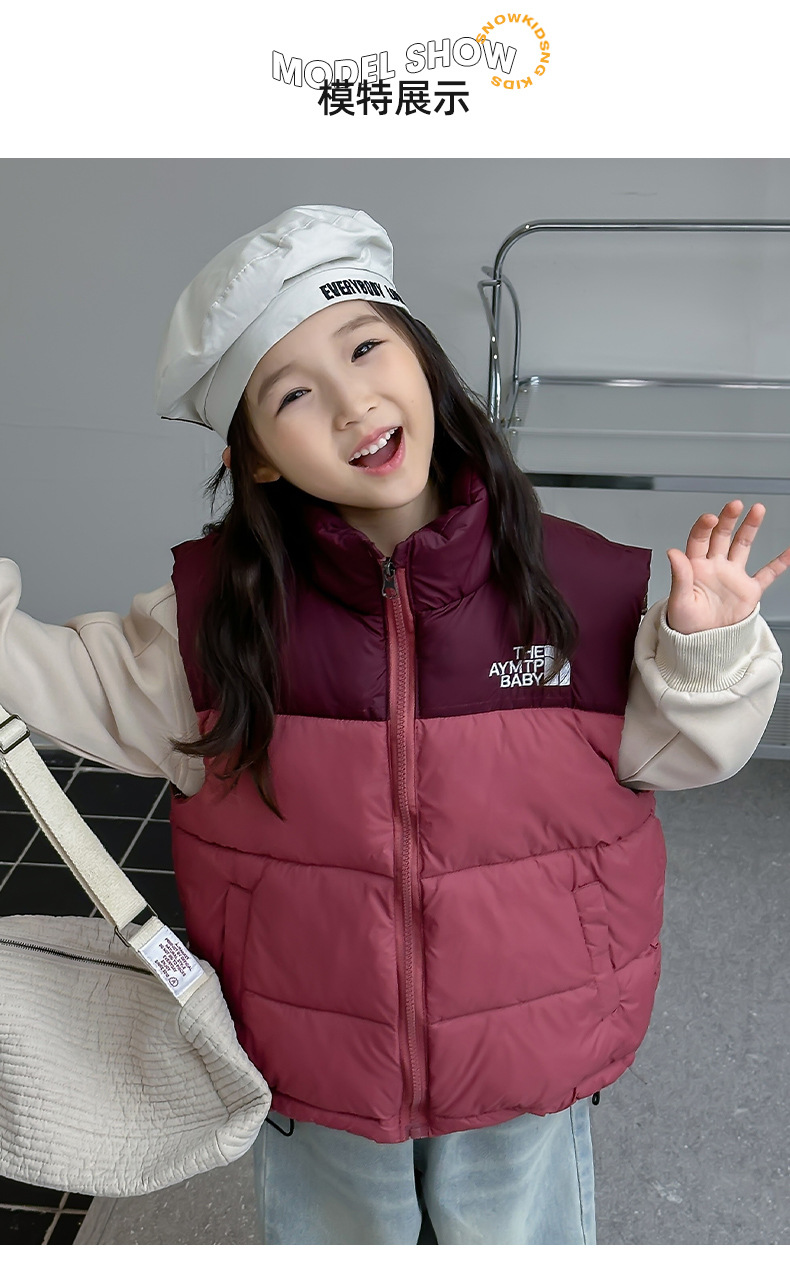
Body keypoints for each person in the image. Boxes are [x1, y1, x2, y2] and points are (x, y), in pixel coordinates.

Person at [0, 204, 786, 1246]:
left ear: (421, 358)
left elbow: (693, 751)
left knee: (512, 1232)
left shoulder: (584, 587)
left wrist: (706, 648)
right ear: (258, 458)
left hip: (530, 1033)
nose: (350, 401)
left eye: (365, 347)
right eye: (292, 393)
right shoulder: (215, 622)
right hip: (308, 1045)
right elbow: (67, 681)